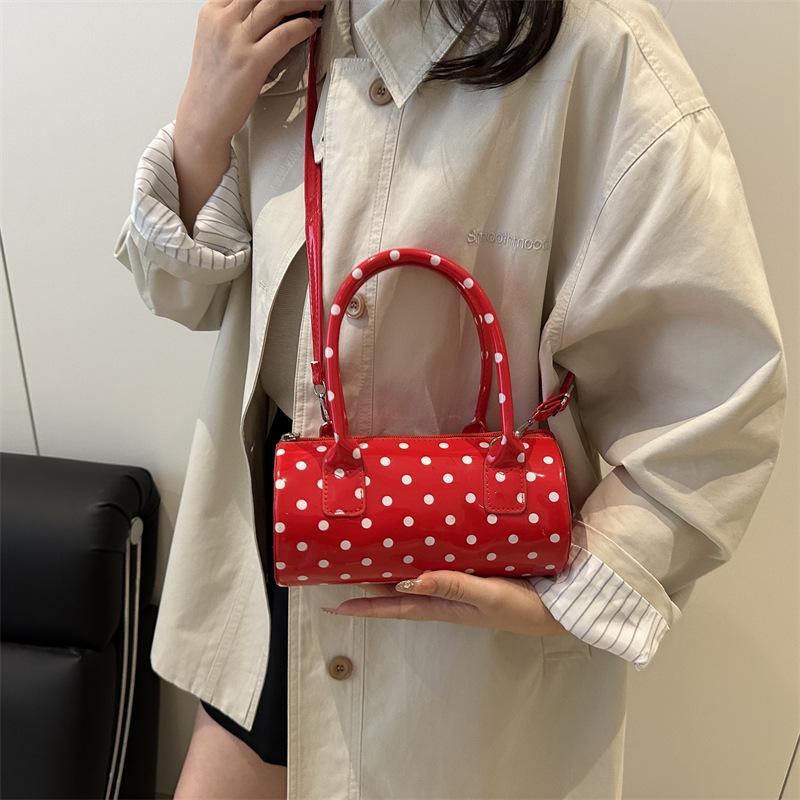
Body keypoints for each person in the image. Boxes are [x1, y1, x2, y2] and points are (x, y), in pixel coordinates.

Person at [112, 0, 789, 797]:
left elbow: (720, 394)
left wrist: (579, 590)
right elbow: (187, 298)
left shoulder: (601, 52)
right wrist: (200, 127)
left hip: (467, 610)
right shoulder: (276, 27)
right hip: (276, 559)